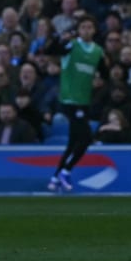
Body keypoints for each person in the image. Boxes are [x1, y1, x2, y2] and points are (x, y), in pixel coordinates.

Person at [43, 15, 109, 192]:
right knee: (86, 138)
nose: (87, 30)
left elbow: (105, 74)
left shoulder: (97, 51)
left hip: (84, 101)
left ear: (94, 30)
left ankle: (55, 177)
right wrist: (59, 38)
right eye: (83, 27)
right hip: (69, 100)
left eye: (90, 27)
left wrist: (99, 80)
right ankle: (66, 170)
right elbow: (49, 51)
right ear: (79, 30)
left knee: (73, 142)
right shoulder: (71, 46)